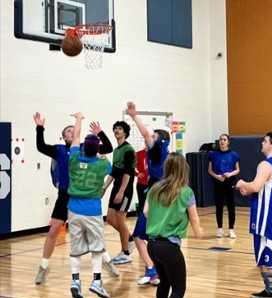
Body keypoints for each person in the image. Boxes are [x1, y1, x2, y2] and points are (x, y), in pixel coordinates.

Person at [33, 113, 114, 284]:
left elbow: (107, 147)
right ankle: (43, 266)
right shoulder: (59, 150)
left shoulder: (85, 148)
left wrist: (99, 132)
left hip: (83, 197)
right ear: (63, 137)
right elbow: (40, 146)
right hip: (65, 195)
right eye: (68, 131)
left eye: (73, 130)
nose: (72, 132)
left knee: (93, 232)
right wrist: (40, 127)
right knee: (54, 229)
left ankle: (106, 262)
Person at [236, 132, 272, 298]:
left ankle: (269, 291)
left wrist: (242, 183)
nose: (262, 143)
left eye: (265, 141)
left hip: (267, 217)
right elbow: (263, 189)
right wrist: (250, 189)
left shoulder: (266, 164)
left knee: (264, 252)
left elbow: (256, 186)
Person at [144, 152, 205, 298]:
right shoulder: (186, 191)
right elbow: (194, 218)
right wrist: (198, 232)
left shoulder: (154, 188)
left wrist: (160, 220)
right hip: (169, 246)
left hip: (151, 245)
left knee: (164, 283)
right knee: (179, 289)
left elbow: (146, 211)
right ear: (184, 169)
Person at [126, 101, 170, 285]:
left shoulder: (158, 148)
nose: (148, 137)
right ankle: (155, 270)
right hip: (159, 194)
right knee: (153, 237)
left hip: (155, 197)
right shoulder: (165, 153)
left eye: (153, 136)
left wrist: (134, 116)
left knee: (139, 235)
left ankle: (152, 270)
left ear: (158, 140)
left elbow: (145, 133)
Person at [102, 121, 137, 264]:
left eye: (120, 128)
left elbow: (128, 173)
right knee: (110, 219)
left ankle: (125, 253)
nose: (117, 130)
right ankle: (130, 238)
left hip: (125, 188)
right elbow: (114, 172)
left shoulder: (128, 149)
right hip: (116, 187)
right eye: (115, 128)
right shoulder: (116, 150)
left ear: (125, 132)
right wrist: (104, 188)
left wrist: (121, 192)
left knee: (120, 218)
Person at [208, 134, 240, 238]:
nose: (222, 141)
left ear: (228, 142)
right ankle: (220, 229)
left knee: (231, 206)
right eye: (221, 139)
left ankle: (231, 229)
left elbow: (237, 169)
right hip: (218, 182)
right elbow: (210, 170)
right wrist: (216, 176)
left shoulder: (233, 154)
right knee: (219, 206)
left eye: (224, 140)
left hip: (229, 182)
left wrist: (230, 174)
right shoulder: (213, 154)